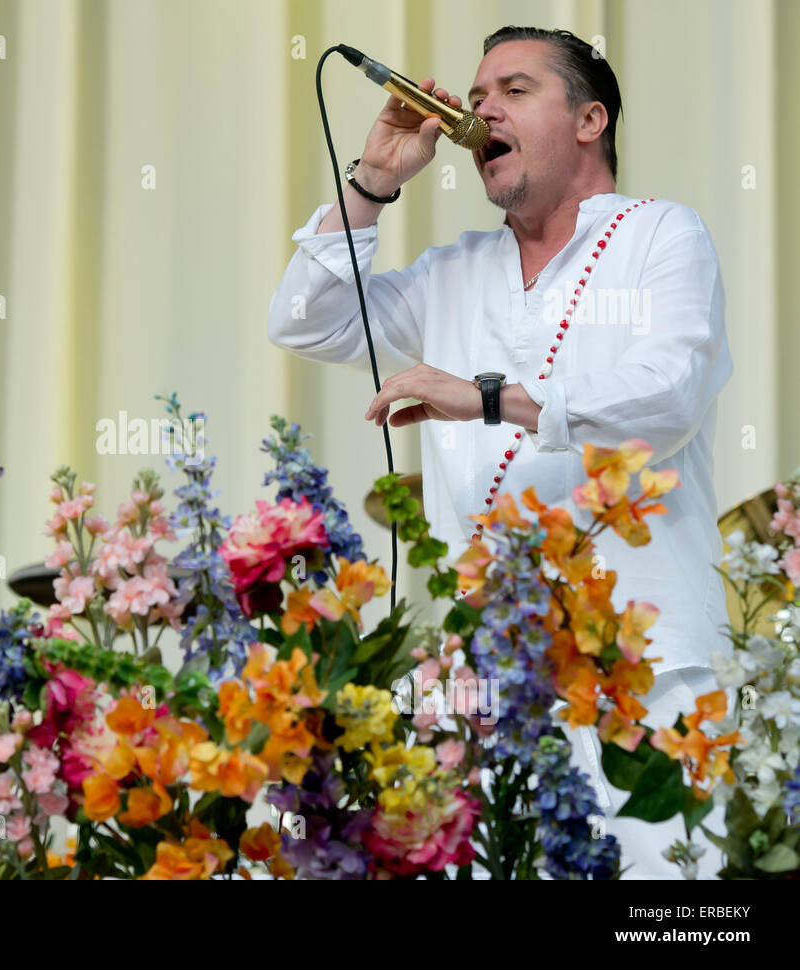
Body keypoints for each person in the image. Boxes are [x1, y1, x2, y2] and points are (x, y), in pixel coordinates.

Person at [267, 25, 734, 879]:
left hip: (647, 676)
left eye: (514, 91)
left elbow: (666, 397)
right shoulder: (452, 271)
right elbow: (305, 320)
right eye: (477, 97)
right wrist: (373, 181)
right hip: (485, 688)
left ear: (590, 120)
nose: (480, 110)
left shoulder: (661, 235)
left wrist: (487, 397)